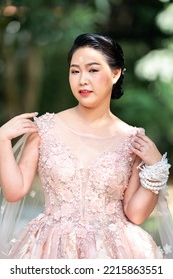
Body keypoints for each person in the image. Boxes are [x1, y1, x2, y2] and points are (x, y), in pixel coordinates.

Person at [0, 33, 172, 259]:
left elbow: (135, 214)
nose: (82, 80)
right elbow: (14, 191)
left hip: (115, 253)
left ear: (115, 73)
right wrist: (2, 139)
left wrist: (156, 168)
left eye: (93, 70)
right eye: (75, 71)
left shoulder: (132, 139)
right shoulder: (44, 128)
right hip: (49, 249)